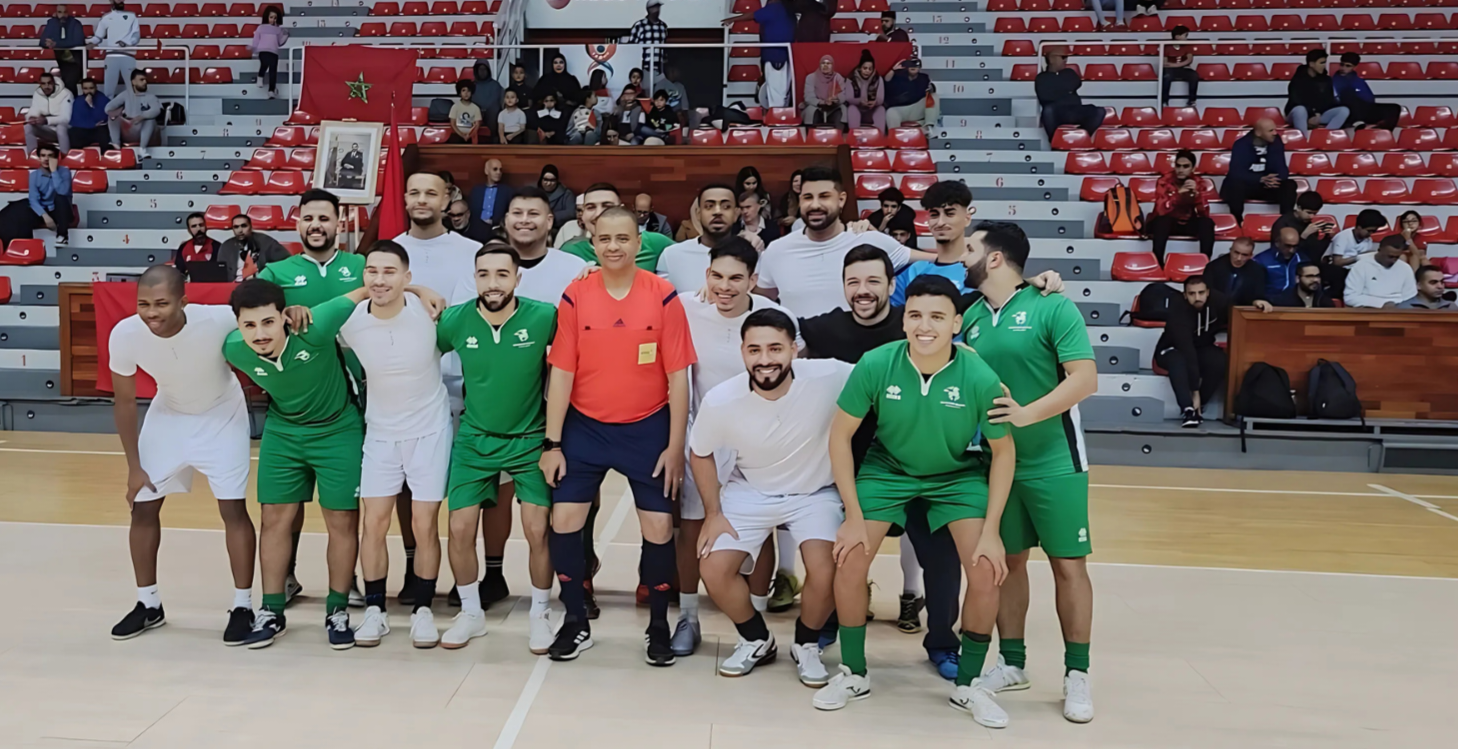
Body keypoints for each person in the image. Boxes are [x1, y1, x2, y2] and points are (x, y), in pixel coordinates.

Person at [814, 274, 1016, 729]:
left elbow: (1004, 453)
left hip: (956, 475)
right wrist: (851, 513)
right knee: (848, 559)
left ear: (956, 323)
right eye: (917, 315)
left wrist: (992, 531)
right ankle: (853, 673)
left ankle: (970, 684)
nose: (926, 326)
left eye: (938, 317)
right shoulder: (876, 363)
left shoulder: (980, 375)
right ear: (904, 320)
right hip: (887, 469)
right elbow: (840, 435)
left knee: (986, 570)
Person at [539, 206, 697, 664]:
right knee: (564, 520)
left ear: (639, 241)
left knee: (659, 526)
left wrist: (674, 445)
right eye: (604, 238)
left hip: (647, 427)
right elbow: (562, 372)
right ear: (592, 241)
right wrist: (552, 444)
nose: (613, 247)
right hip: (584, 427)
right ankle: (574, 621)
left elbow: (679, 378)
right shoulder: (576, 294)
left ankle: (658, 627)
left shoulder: (663, 295)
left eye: (623, 238)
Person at [957, 222, 1099, 724]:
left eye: (970, 247)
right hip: (997, 465)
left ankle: (1076, 674)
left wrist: (1026, 414)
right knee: (1007, 564)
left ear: (994, 259)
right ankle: (1012, 663)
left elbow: (1085, 378)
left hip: (1054, 460)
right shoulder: (969, 316)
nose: (962, 253)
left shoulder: (1052, 306)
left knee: (1068, 566)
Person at [800, 245, 961, 677]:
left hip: (921, 465)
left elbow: (977, 305)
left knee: (943, 560)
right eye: (853, 282)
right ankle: (832, 622)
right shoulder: (821, 330)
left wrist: (1038, 283)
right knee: (846, 555)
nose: (862, 290)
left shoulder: (916, 326)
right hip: (854, 467)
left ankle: (944, 641)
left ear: (892, 287)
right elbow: (767, 328)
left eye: (873, 281)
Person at [108, 265, 257, 644]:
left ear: (184, 301)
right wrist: (133, 467)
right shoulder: (125, 333)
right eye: (143, 303)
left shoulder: (219, 318)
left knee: (233, 510)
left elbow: (264, 314)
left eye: (161, 303)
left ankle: (243, 605)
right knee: (142, 506)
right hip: (169, 414)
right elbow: (124, 402)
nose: (151, 312)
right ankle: (149, 604)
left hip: (222, 414)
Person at [692, 306, 841, 685]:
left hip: (815, 492)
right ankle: (756, 639)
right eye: (754, 350)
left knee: (826, 570)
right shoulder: (721, 399)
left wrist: (960, 352)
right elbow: (700, 452)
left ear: (795, 349)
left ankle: (806, 644)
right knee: (712, 566)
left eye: (775, 349)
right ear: (742, 352)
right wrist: (713, 512)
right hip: (751, 489)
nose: (765, 360)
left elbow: (885, 367)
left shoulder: (830, 375)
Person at [671, 238, 800, 656]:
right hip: (702, 438)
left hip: (757, 442)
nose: (725, 287)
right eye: (717, 276)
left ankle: (756, 621)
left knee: (759, 533)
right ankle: (688, 617)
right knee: (694, 527)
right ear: (706, 275)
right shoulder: (686, 308)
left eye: (736, 278)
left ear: (753, 280)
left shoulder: (778, 318)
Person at [223, 278, 367, 649]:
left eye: (268, 322)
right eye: (249, 325)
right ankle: (271, 611)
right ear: (237, 324)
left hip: (338, 430)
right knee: (274, 519)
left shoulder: (314, 326)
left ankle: (337, 610)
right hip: (284, 432)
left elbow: (368, 288)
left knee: (341, 520)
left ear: (284, 317)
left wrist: (422, 293)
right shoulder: (233, 348)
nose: (259, 333)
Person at [432, 243, 560, 650]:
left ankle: (540, 612)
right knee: (459, 527)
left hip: (529, 440)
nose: (492, 283)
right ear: (474, 278)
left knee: (538, 529)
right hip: (474, 438)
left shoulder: (543, 317)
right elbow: (413, 348)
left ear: (517, 278)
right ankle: (471, 613)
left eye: (502, 274)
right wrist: (418, 291)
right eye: (484, 274)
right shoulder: (455, 320)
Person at [331, 242, 452, 649]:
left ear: (406, 277)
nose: (379, 279)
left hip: (430, 431)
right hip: (380, 433)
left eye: (389, 272)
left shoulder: (428, 312)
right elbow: (316, 321)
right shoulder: (350, 322)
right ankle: (375, 611)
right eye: (371, 272)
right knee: (374, 524)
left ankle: (422, 611)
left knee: (424, 525)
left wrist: (421, 293)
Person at [756, 166, 923, 318]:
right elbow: (760, 302)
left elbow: (941, 261)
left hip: (859, 350)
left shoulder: (872, 240)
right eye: (807, 197)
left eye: (824, 196)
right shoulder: (777, 250)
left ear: (841, 200)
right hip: (800, 350)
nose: (815, 205)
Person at [1156, 276, 1257, 427]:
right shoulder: (1177, 310)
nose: (1197, 298)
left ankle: (1200, 406)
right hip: (1172, 348)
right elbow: (1187, 350)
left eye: (1201, 293)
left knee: (1220, 361)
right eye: (1192, 294)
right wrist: (1194, 391)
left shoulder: (1219, 301)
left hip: (1202, 347)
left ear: (1208, 292)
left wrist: (1256, 302)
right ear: (1185, 295)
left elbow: (1238, 314)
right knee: (1178, 361)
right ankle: (1188, 409)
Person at [892, 180, 973, 306]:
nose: (940, 222)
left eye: (949, 214)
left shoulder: (979, 271)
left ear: (967, 219)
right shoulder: (913, 271)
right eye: (934, 215)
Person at [561, 183, 674, 270]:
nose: (598, 214)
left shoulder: (654, 243)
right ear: (582, 214)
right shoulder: (570, 251)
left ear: (622, 210)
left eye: (607, 206)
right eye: (591, 207)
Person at [657, 184, 739, 293]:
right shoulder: (671, 255)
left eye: (726, 206)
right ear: (698, 214)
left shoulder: (751, 254)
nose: (717, 212)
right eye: (709, 206)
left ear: (736, 214)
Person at [1220, 118, 1296, 225]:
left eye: (1275, 130)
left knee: (1289, 185)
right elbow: (1236, 173)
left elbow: (1283, 170)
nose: (1275, 133)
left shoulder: (1276, 142)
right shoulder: (1241, 145)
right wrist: (1260, 179)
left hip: (1267, 186)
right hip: (1247, 185)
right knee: (1234, 185)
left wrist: (1274, 179)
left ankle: (1286, 221)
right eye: (1270, 131)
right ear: (1258, 133)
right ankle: (1237, 221)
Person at [1148, 149, 1214, 262]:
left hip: (1187, 222)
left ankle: (1205, 263)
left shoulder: (1198, 182)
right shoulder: (1164, 181)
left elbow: (1204, 213)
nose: (1181, 170)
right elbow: (1161, 210)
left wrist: (1196, 196)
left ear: (1193, 168)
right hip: (1168, 222)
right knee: (1161, 222)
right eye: (1178, 166)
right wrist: (1178, 195)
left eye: (1185, 166)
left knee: (1207, 223)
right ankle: (1158, 262)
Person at [1035, 48, 1104, 139]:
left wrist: (1055, 89)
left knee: (1099, 111)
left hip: (1075, 109)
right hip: (1057, 111)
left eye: (1066, 57)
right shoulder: (1041, 78)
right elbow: (1044, 96)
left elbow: (1076, 83)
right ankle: (1055, 140)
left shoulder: (1069, 73)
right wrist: (1066, 90)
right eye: (1063, 57)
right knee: (1048, 111)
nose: (1065, 60)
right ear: (1051, 59)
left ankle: (1081, 138)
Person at [13, 142, 72, 247]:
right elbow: (33, 199)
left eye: (50, 156)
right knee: (22, 208)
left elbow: (63, 192)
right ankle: (25, 244)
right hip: (44, 211)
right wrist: (45, 216)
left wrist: (54, 171)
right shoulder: (34, 175)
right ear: (39, 158)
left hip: (61, 210)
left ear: (55, 159)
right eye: (43, 156)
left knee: (60, 198)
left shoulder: (64, 172)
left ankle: (63, 236)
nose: (46, 159)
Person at [1285, 49, 1349, 137]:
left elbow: (1328, 101)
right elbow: (1296, 101)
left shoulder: (1327, 80)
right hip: (1299, 115)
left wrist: (1317, 114)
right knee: (1300, 110)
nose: (1324, 66)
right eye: (1321, 63)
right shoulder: (1297, 80)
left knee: (1344, 110)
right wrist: (1311, 114)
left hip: (1318, 115)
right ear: (1311, 64)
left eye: (1324, 62)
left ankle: (1324, 137)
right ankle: (1304, 140)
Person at [1323, 208, 1385, 298]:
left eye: (1373, 231)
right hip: (1338, 270)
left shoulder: (1368, 240)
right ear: (1359, 227)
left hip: (1356, 270)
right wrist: (1358, 257)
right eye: (1369, 231)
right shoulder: (1343, 237)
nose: (1370, 234)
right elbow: (1337, 262)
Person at [1344, 235, 1417, 309]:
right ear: (1379, 250)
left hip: (1397, 311)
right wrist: (1382, 305)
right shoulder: (1361, 266)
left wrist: (1394, 306)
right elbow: (1350, 297)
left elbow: (1410, 298)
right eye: (1390, 256)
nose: (1393, 260)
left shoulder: (1405, 268)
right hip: (1368, 310)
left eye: (1397, 257)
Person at [1334, 52, 1401, 131]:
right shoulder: (1334, 80)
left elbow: (1370, 99)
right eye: (1342, 64)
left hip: (1364, 109)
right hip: (1347, 111)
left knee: (1394, 108)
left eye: (1348, 66)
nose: (1343, 68)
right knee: (1348, 93)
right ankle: (1357, 123)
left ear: (1354, 67)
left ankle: (1384, 131)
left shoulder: (1358, 80)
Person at [88, 0, 141, 99]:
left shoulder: (132, 16)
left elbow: (136, 35)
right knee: (109, 89)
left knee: (132, 88)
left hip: (128, 56)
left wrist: (127, 42)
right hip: (111, 56)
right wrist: (91, 43)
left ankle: (133, 112)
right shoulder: (106, 18)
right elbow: (98, 37)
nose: (120, 1)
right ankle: (108, 112)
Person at [105, 69, 161, 158]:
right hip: (129, 128)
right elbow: (108, 108)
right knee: (112, 117)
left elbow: (156, 110)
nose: (145, 82)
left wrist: (142, 116)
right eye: (141, 80)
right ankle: (116, 145)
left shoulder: (151, 96)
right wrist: (118, 111)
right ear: (133, 82)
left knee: (150, 119)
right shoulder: (125, 94)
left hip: (144, 130)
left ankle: (142, 150)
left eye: (145, 80)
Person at [220, 214, 290, 281]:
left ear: (250, 227)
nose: (240, 230)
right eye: (236, 227)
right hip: (234, 286)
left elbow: (285, 261)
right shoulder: (226, 246)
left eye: (244, 226)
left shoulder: (265, 241)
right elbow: (221, 272)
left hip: (260, 285)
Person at [1201, 237, 1267, 307]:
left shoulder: (1257, 271)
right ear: (1230, 250)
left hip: (1243, 310)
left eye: (1244, 255)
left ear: (1251, 256)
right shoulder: (1213, 267)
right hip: (1216, 309)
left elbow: (1258, 296)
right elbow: (1207, 292)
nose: (1239, 258)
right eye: (1236, 252)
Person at [1270, 191, 1332, 263]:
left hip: (1308, 263)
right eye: (1309, 212)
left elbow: (1315, 252)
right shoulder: (1283, 223)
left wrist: (1327, 237)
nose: (1312, 216)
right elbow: (1283, 252)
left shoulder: (1308, 223)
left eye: (1315, 213)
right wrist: (1304, 236)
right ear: (1299, 208)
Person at [40, 4, 86, 94]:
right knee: (65, 84)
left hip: (75, 61)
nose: (62, 15)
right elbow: (42, 42)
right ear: (56, 13)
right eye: (60, 12)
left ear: (68, 13)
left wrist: (56, 44)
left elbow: (78, 41)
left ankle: (72, 104)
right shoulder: (52, 23)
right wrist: (48, 43)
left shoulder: (75, 23)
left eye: (65, 12)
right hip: (61, 60)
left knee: (70, 83)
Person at [24, 72, 73, 155]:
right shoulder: (38, 93)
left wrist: (46, 120)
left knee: (61, 128)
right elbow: (33, 110)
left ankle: (65, 156)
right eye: (43, 84)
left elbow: (66, 118)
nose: (46, 86)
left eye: (49, 83)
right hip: (48, 130)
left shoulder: (66, 93)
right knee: (28, 127)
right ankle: (33, 156)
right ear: (40, 84)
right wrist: (31, 118)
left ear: (54, 82)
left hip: (66, 130)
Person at [884, 57, 939, 130]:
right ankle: (895, 138)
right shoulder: (899, 76)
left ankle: (928, 127)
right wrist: (893, 70)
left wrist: (931, 88)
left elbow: (931, 89)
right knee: (890, 112)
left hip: (916, 109)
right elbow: (886, 80)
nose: (913, 67)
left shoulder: (924, 78)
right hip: (900, 109)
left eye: (915, 65)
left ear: (919, 67)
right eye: (911, 64)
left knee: (933, 96)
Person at [467, 158, 514, 238]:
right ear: (486, 171)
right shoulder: (476, 190)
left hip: (498, 231)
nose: (498, 172)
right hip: (477, 230)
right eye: (495, 169)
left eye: (500, 170)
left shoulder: (507, 191)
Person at [1255, 227, 1304, 299]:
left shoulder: (1303, 260)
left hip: (1297, 305)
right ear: (1277, 242)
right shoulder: (1260, 260)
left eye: (1295, 246)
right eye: (1288, 246)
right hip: (1269, 304)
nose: (1291, 250)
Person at [250, 6, 287, 99]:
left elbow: (279, 42)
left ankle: (271, 90)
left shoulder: (278, 29)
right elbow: (256, 39)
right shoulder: (260, 28)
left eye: (275, 18)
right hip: (263, 51)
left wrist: (286, 36)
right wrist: (254, 48)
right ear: (266, 17)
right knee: (264, 64)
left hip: (274, 52)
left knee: (273, 71)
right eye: (271, 17)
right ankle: (260, 76)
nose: (273, 20)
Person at [845, 50, 886, 133]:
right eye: (865, 68)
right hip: (857, 108)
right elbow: (848, 98)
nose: (867, 71)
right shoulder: (851, 78)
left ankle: (879, 137)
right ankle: (854, 136)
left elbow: (881, 99)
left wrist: (875, 102)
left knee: (881, 109)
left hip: (871, 109)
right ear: (860, 68)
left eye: (870, 69)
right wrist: (860, 101)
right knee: (851, 109)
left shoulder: (878, 79)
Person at [172, 212, 222, 279]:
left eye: (201, 225)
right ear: (189, 230)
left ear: (206, 227)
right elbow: (179, 271)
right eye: (194, 226)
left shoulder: (217, 246)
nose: (198, 229)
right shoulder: (183, 247)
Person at [802, 55, 847, 129]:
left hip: (833, 107)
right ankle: (812, 139)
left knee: (842, 110)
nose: (825, 65)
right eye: (823, 63)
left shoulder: (837, 77)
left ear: (832, 66)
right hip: (817, 107)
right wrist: (823, 102)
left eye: (828, 63)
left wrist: (836, 99)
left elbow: (844, 93)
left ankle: (839, 138)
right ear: (820, 65)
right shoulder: (811, 77)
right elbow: (808, 97)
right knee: (811, 111)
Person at [70, 77, 112, 150]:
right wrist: (92, 124)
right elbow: (76, 121)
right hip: (84, 129)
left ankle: (105, 158)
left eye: (91, 88)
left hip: (98, 130)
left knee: (103, 132)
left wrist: (91, 105)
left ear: (96, 87)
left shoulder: (103, 99)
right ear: (82, 89)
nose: (88, 91)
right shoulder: (78, 100)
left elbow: (103, 119)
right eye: (85, 88)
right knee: (73, 132)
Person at [631, 0, 669, 79]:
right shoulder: (640, 25)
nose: (657, 10)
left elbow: (664, 47)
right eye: (655, 7)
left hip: (659, 68)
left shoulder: (663, 26)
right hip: (643, 67)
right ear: (649, 9)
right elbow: (631, 47)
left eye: (658, 7)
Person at [1162, 26, 1199, 106]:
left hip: (1183, 69)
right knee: (1166, 76)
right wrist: (1177, 65)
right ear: (1177, 37)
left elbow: (1189, 60)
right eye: (1185, 35)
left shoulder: (1188, 46)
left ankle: (1192, 100)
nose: (1186, 38)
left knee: (1194, 75)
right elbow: (1165, 63)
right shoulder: (1167, 47)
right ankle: (1164, 101)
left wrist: (1175, 65)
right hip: (1171, 70)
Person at [538, 164, 576, 233]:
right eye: (546, 180)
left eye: (552, 180)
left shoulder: (566, 194)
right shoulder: (535, 192)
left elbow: (571, 213)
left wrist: (551, 216)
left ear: (557, 181)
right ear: (541, 179)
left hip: (559, 229)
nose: (549, 183)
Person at [471, 59, 505, 130]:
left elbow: (500, 103)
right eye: (480, 69)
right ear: (476, 70)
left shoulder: (496, 85)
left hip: (492, 118)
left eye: (484, 69)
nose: (482, 72)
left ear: (488, 70)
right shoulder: (471, 85)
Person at [448, 80, 483, 144]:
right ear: (460, 92)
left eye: (468, 91)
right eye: (463, 90)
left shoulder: (476, 108)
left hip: (471, 135)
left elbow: (477, 125)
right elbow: (453, 124)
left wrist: (469, 135)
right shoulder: (455, 107)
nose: (466, 93)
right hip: (457, 134)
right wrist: (462, 135)